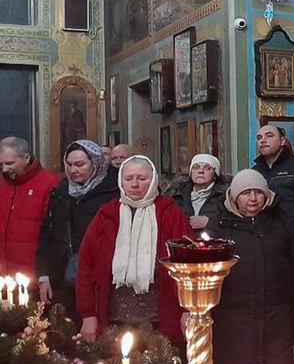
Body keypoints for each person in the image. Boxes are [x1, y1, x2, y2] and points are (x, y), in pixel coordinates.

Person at [208, 169, 294, 364]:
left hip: (276, 308)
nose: (253, 198)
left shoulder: (280, 222)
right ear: (235, 197)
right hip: (234, 311)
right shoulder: (220, 226)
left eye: (258, 192)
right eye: (246, 193)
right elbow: (208, 271)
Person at [75, 156, 193, 344]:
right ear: (121, 181)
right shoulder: (106, 214)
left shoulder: (171, 214)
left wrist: (188, 311)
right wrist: (88, 314)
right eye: (129, 179)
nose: (135, 184)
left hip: (161, 320)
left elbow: (189, 267)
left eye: (142, 178)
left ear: (153, 179)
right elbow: (86, 267)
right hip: (114, 320)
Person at [36, 141, 119, 317]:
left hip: (100, 276)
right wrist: (43, 276)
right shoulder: (61, 192)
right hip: (62, 275)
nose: (74, 170)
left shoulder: (113, 191)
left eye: (80, 164)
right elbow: (46, 236)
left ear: (95, 163)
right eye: (70, 165)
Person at [0, 137, 59, 283]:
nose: (5, 169)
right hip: (4, 276)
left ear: (26, 158)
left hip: (33, 276)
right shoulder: (2, 185)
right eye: (1, 164)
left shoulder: (51, 183)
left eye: (9, 163)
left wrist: (45, 276)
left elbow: (54, 233)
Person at [167, 153, 228, 231]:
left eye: (207, 168)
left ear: (215, 175)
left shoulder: (224, 196)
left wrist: (210, 223)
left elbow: (234, 226)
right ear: (191, 173)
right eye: (196, 168)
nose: (201, 171)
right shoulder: (177, 196)